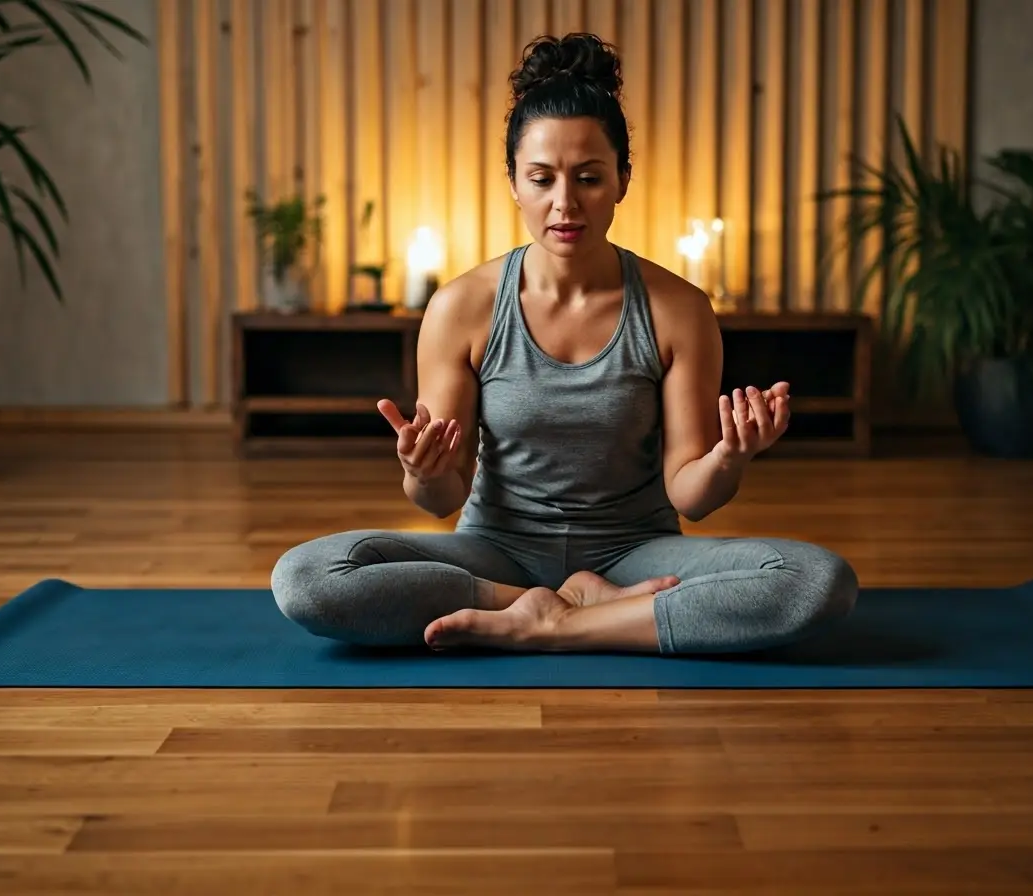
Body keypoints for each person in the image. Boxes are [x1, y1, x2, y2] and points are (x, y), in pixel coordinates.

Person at [271, 32, 858, 654]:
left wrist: (731, 458)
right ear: (515, 183)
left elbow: (691, 495)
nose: (564, 204)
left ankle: (563, 623)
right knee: (306, 579)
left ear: (623, 180)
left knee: (817, 582)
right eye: (542, 178)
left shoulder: (678, 309)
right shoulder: (462, 308)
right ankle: (536, 610)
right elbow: (443, 498)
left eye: (588, 178)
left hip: (636, 552)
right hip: (496, 552)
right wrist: (421, 471)